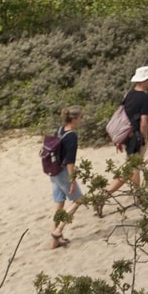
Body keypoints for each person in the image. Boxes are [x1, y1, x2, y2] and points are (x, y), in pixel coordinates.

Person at [101, 65, 148, 208]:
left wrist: (120, 139)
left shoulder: (129, 94)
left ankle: (138, 197)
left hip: (126, 136)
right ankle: (105, 195)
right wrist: (145, 138)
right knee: (132, 170)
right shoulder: (145, 98)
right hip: (135, 138)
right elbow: (144, 122)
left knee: (134, 168)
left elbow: (122, 116)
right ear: (145, 80)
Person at [49, 106, 84, 249]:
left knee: (59, 203)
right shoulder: (71, 136)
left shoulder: (59, 130)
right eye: (81, 117)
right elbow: (70, 162)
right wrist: (72, 181)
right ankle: (58, 231)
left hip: (53, 171)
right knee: (78, 200)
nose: (81, 119)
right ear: (74, 119)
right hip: (63, 172)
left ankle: (54, 242)